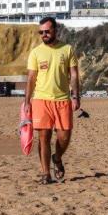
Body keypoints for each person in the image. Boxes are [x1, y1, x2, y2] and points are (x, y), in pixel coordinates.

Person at [25, 17, 80, 185]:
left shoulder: (67, 49)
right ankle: (45, 173)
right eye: (41, 32)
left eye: (47, 31)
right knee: (44, 137)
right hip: (41, 100)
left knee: (64, 137)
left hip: (63, 99)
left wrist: (76, 96)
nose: (44, 34)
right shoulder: (36, 52)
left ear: (55, 30)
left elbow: (74, 75)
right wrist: (27, 101)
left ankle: (57, 158)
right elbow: (31, 78)